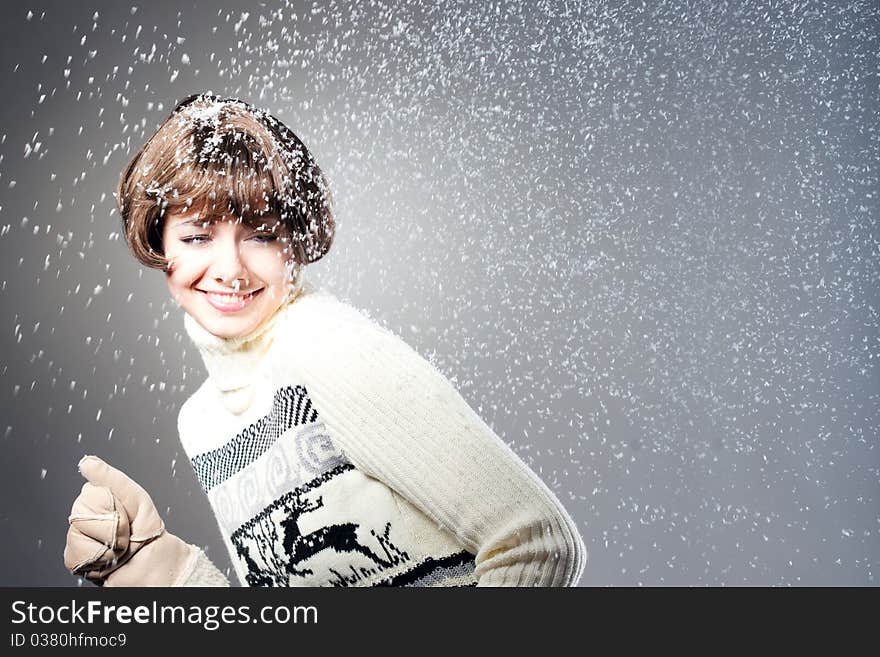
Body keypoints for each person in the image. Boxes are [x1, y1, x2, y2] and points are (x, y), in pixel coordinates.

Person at [62, 93, 587, 587]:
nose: (230, 270)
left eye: (262, 234)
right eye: (197, 236)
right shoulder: (202, 424)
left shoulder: (326, 347)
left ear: (295, 241)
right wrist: (163, 570)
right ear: (157, 239)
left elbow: (538, 545)